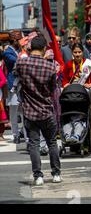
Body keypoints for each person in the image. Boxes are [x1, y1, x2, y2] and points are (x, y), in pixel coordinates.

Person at [14, 35, 61, 186]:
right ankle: (56, 174)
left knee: (33, 144)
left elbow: (15, 74)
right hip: (46, 109)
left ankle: (38, 176)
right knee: (52, 142)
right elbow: (53, 88)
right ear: (44, 49)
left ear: (31, 47)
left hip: (29, 111)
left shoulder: (22, 62)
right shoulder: (50, 66)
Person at [4, 30, 23, 144]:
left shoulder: (19, 50)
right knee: (14, 110)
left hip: (22, 83)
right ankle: (15, 134)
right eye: (19, 39)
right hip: (13, 84)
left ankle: (25, 135)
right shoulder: (8, 53)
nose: (21, 41)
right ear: (14, 40)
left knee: (23, 111)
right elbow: (17, 61)